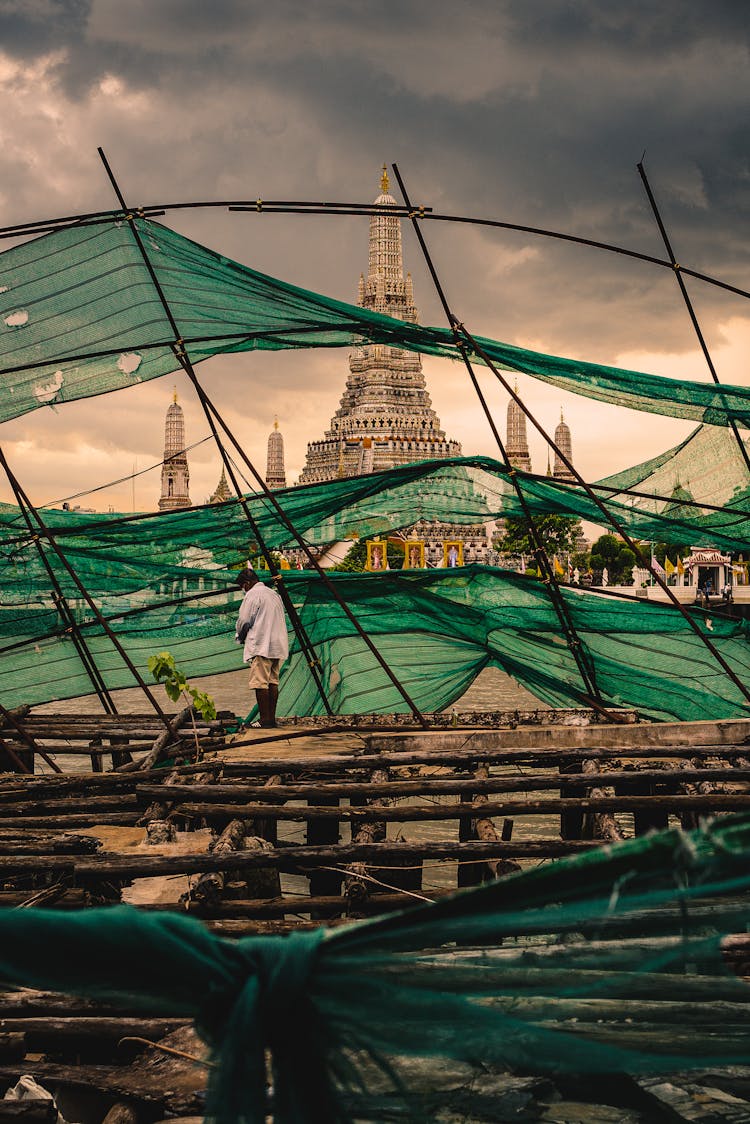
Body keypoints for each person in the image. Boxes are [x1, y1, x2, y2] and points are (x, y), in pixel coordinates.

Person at [234, 568, 289, 728]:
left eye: (243, 586)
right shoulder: (273, 594)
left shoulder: (253, 595)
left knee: (260, 683)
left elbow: (244, 621)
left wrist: (240, 636)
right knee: (272, 682)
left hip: (261, 644)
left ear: (247, 583)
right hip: (277, 644)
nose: (243, 590)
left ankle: (264, 721)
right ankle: (271, 719)